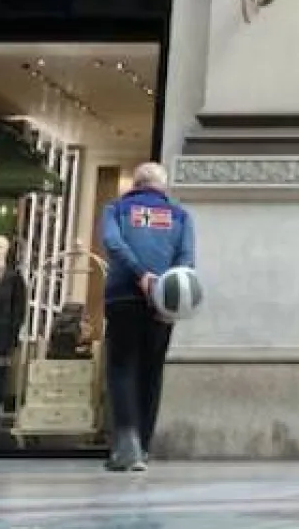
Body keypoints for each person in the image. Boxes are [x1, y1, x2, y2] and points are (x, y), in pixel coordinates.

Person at [100, 161, 195, 473]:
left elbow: (113, 243)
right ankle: (143, 446)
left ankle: (126, 446)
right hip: (163, 303)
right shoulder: (180, 216)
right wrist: (167, 291)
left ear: (136, 184)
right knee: (152, 372)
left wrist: (141, 274)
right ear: (162, 186)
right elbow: (186, 259)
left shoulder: (115, 209)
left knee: (121, 368)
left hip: (122, 297)